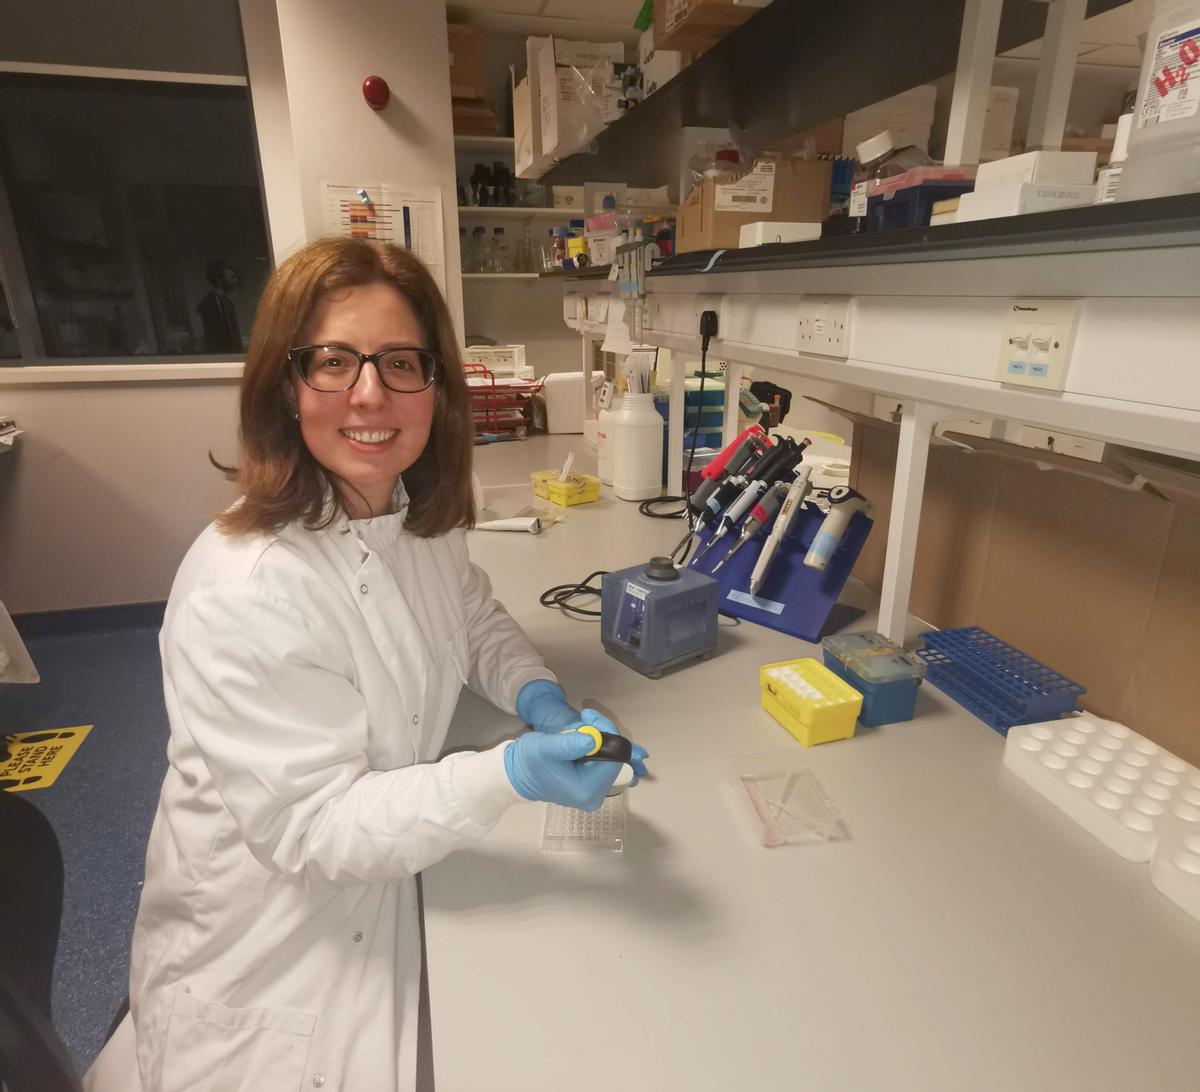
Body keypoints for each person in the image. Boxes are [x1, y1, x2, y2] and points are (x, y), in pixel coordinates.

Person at [85, 237, 647, 1092]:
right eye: (334, 362)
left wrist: (539, 697)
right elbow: (314, 831)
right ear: (286, 381)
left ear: (437, 386)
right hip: (275, 955)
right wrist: (511, 775)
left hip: (385, 884)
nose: (370, 394)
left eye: (400, 363)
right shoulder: (249, 587)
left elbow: (470, 608)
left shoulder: (408, 511)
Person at [196, 260, 242, 353]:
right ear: (219, 280)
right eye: (232, 277)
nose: (236, 281)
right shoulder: (212, 303)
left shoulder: (226, 302)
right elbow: (215, 338)